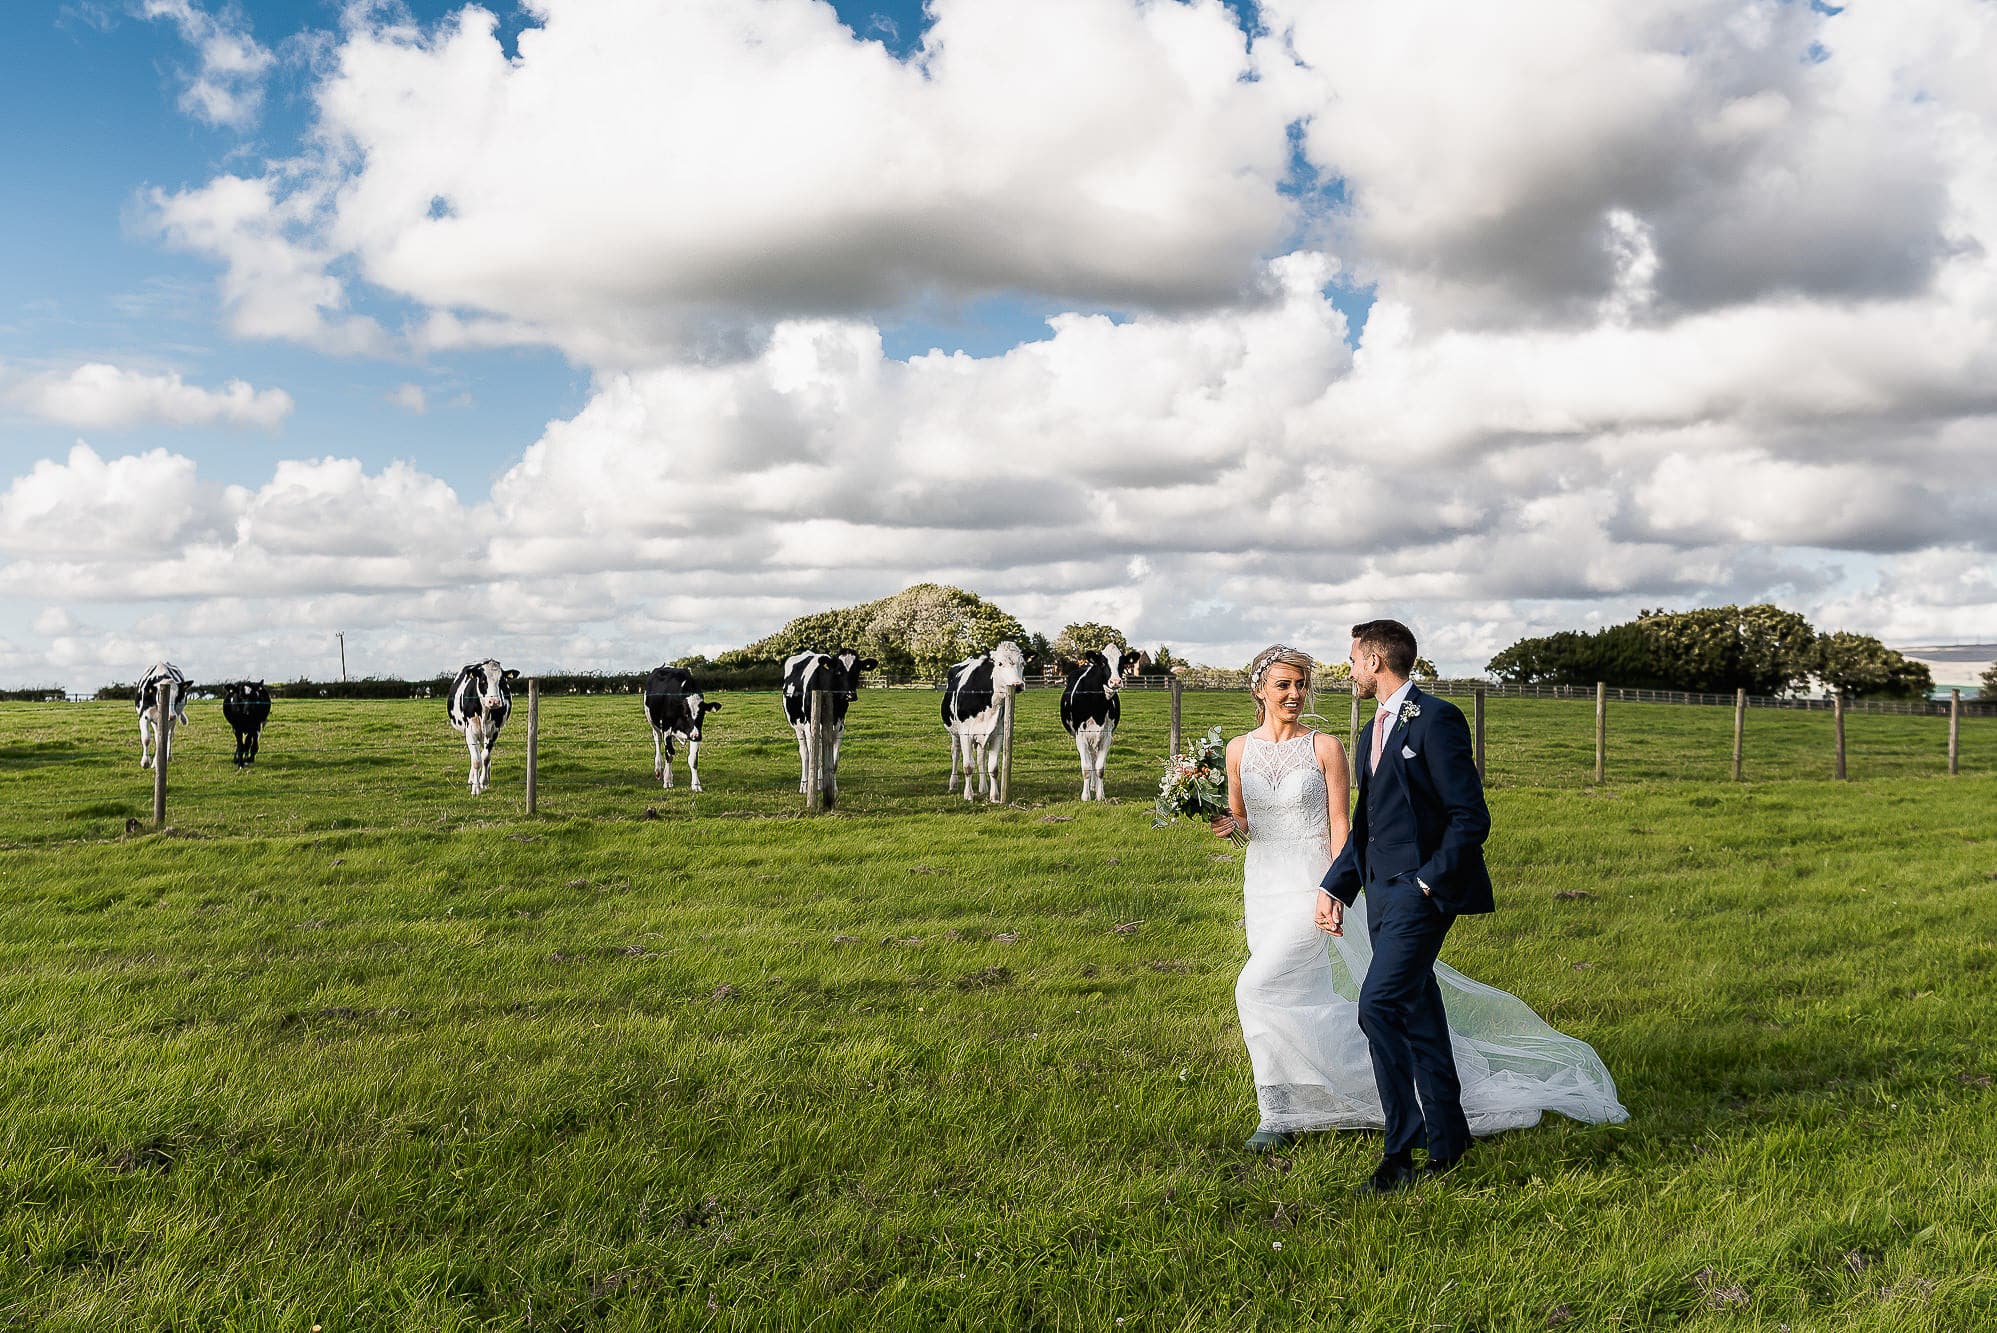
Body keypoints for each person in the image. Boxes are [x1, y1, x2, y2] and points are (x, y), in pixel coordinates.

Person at [1214, 635, 1625, 1191]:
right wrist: (1338, 887)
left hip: (1419, 894)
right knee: (1421, 1016)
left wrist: (1428, 882)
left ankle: (1398, 1151)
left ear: (1375, 659)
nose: (1342, 672)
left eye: (1354, 658)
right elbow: (1367, 827)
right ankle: (1448, 1140)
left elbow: (1469, 816)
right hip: (1362, 894)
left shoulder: (1436, 718)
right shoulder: (1369, 732)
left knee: (1376, 1005)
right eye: (1286, 683)